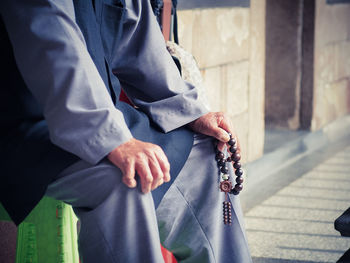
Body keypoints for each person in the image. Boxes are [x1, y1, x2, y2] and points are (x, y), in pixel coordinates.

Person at [0, 0, 252, 262]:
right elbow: (48, 35)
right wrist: (109, 138)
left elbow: (139, 45)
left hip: (102, 112)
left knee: (208, 154)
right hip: (29, 117)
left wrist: (191, 111)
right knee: (128, 178)